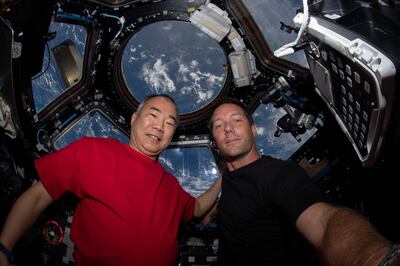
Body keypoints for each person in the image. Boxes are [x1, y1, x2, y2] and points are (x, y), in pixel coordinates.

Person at [0, 94, 221, 266]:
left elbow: (199, 208)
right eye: (153, 115)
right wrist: (4, 249)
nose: (159, 126)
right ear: (134, 119)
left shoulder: (171, 185)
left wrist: (224, 178)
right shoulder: (92, 151)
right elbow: (38, 196)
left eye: (169, 123)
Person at [207, 98, 399, 265]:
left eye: (236, 120)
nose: (228, 129)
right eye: (219, 125)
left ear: (253, 129)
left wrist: (375, 259)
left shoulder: (278, 173)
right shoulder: (227, 182)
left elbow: (323, 223)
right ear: (215, 141)